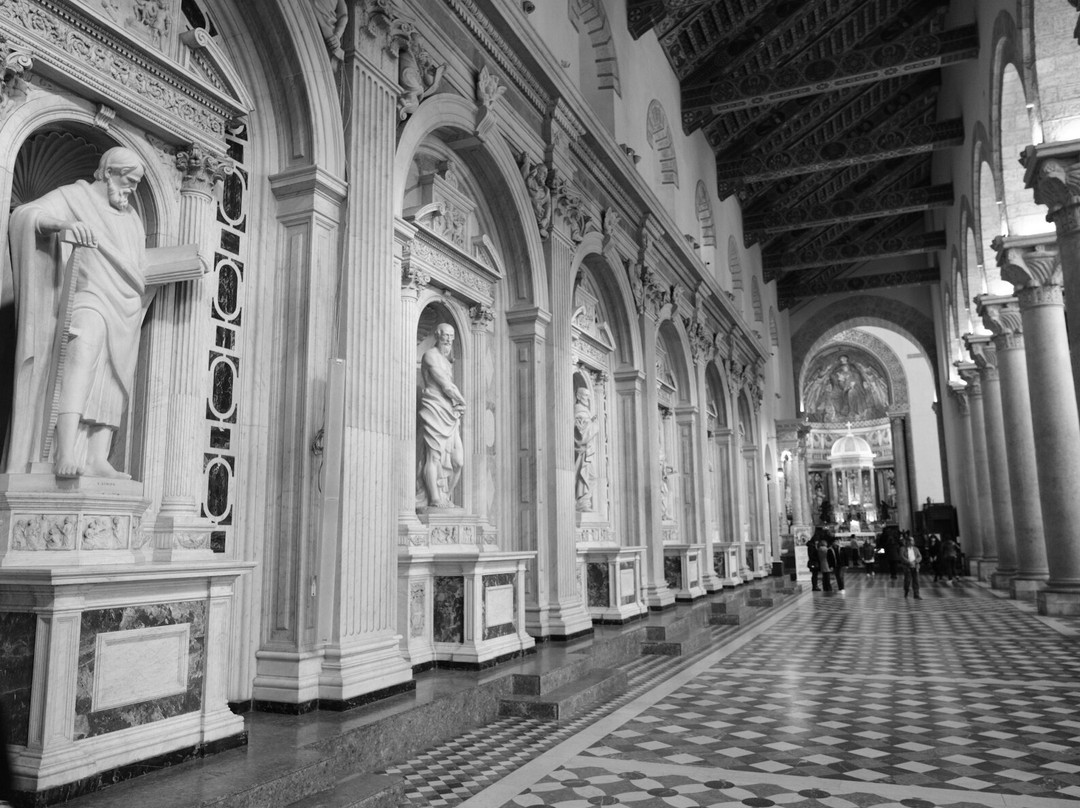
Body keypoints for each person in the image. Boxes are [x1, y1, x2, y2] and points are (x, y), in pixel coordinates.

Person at [5, 147, 152, 479]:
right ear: (108, 172)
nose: (131, 189)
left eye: (136, 183)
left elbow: (139, 265)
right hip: (88, 296)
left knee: (114, 379)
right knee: (81, 356)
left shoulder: (132, 218)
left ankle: (97, 456)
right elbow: (26, 214)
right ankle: (66, 451)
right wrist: (64, 224)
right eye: (129, 180)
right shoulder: (75, 196)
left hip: (126, 306)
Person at [418, 322, 465, 508]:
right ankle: (435, 498)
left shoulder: (447, 361)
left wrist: (457, 405)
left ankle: (446, 496)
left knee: (458, 462)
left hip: (449, 414)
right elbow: (446, 385)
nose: (449, 339)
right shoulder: (430, 355)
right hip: (434, 408)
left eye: (452, 336)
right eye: (446, 335)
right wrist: (462, 401)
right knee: (433, 456)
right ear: (437, 335)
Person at [573, 386, 597, 511]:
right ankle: (582, 502)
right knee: (587, 476)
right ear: (578, 396)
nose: (588, 398)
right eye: (585, 395)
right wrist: (595, 424)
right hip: (582, 451)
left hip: (588, 451)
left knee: (592, 476)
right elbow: (581, 435)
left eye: (588, 395)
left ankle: (584, 501)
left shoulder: (585, 411)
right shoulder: (579, 410)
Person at [900, 535, 922, 599]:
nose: (911, 542)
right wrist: (909, 562)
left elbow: (920, 556)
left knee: (916, 581)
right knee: (907, 580)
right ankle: (906, 591)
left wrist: (915, 561)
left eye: (912, 540)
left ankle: (916, 594)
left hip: (915, 566)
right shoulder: (902, 548)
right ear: (907, 541)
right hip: (907, 566)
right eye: (910, 540)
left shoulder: (915, 549)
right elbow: (902, 557)